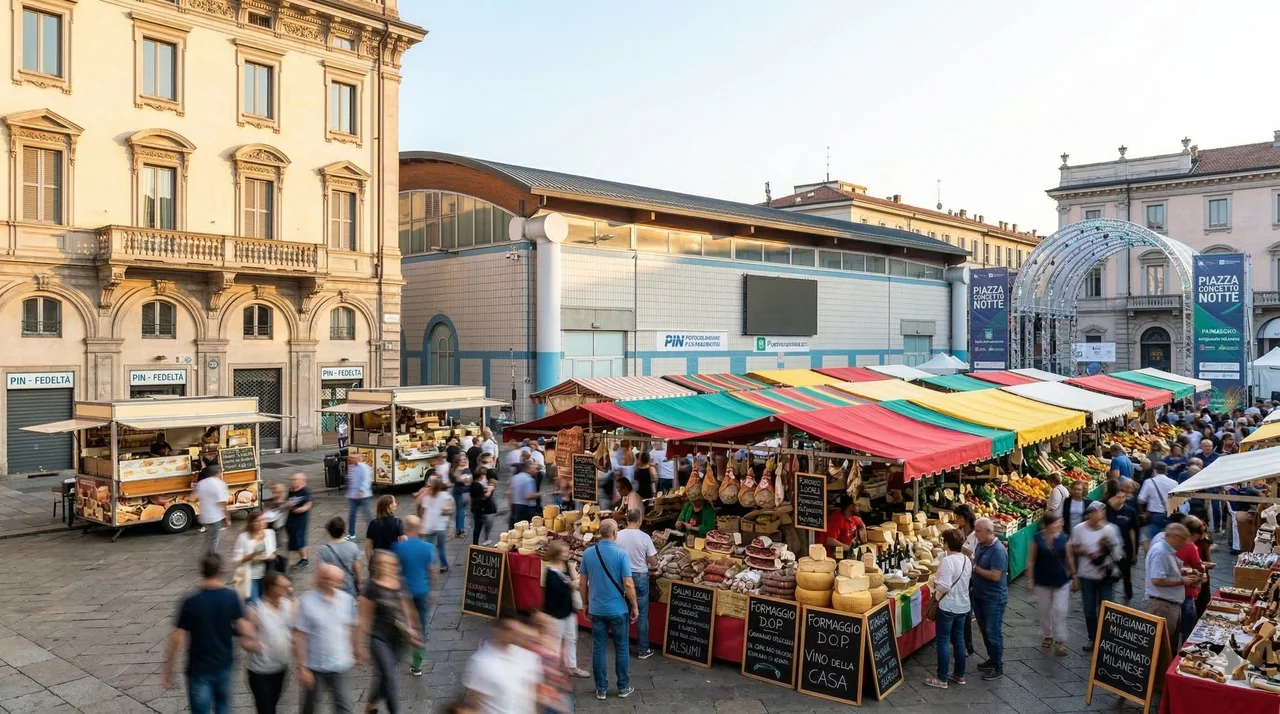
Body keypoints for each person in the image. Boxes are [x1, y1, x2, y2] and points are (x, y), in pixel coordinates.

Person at [162, 554, 255, 714]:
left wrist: (168, 670)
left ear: (202, 572)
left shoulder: (190, 601)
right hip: (224, 665)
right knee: (223, 708)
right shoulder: (230, 597)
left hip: (199, 668)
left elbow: (177, 639)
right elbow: (245, 630)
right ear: (220, 571)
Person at [579, 519, 638, 700]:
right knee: (621, 648)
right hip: (618, 610)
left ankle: (601, 689)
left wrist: (585, 604)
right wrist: (635, 606)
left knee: (598, 649)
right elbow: (628, 583)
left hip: (597, 609)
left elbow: (582, 583)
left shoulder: (588, 553)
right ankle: (623, 687)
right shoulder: (621, 555)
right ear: (614, 533)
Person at [358, 549, 420, 714]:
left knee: (385, 677)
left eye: (390, 563)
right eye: (383, 563)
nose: (387, 566)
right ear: (378, 565)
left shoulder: (400, 581)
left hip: (399, 639)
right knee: (390, 678)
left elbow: (407, 607)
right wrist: (360, 647)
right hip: (378, 638)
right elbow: (364, 618)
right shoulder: (370, 587)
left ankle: (370, 705)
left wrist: (412, 630)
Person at [295, 564, 357, 714]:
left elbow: (349, 627)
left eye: (335, 580)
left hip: (340, 663)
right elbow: (300, 635)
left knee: (344, 705)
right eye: (327, 579)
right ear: (319, 579)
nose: (331, 583)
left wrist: (353, 649)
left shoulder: (347, 600)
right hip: (314, 665)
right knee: (309, 707)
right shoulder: (307, 601)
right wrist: (302, 667)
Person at [1070, 502, 1124, 651]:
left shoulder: (1111, 530)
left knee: (1106, 608)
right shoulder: (1079, 529)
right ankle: (1093, 638)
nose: (1096, 516)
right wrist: (1085, 553)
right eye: (1092, 513)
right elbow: (1073, 548)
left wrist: (1105, 548)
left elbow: (1118, 555)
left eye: (1099, 512)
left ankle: (1105, 638)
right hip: (1086, 575)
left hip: (1105, 576)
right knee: (1089, 609)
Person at [923, 528, 972, 689]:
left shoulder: (947, 561)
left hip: (948, 606)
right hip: (964, 606)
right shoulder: (966, 559)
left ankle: (942, 678)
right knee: (959, 640)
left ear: (946, 544)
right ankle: (959, 675)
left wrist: (935, 583)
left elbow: (944, 586)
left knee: (943, 641)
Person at [463, 614, 542, 714]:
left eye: (515, 630)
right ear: (496, 629)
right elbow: (474, 700)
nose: (512, 634)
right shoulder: (480, 662)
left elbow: (534, 695)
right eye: (508, 629)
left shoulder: (529, 657)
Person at [392, 515, 438, 677]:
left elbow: (394, 570)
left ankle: (396, 654)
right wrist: (433, 589)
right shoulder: (428, 548)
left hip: (404, 594)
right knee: (421, 626)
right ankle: (417, 663)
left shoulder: (397, 547)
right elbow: (432, 571)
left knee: (401, 623)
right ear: (418, 529)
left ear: (406, 529)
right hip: (422, 591)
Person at [1145, 523, 1201, 653]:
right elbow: (1157, 580)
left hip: (1170, 604)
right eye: (1184, 539)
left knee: (1170, 646)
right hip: (1163, 606)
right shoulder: (1161, 552)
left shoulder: (1168, 551)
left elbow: (1168, 571)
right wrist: (1183, 581)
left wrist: (1185, 572)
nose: (1186, 543)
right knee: (1162, 648)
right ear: (1174, 537)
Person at [245, 571, 293, 714]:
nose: (288, 590)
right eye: (284, 587)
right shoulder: (255, 610)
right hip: (260, 671)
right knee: (266, 709)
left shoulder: (288, 605)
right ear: (271, 587)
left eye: (288, 587)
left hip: (281, 668)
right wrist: (254, 645)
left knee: (272, 704)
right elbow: (245, 641)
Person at [1027, 513, 1073, 656]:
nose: (1058, 525)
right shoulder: (1037, 539)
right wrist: (1030, 580)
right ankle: (1048, 634)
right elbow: (1031, 560)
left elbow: (1069, 557)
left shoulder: (1064, 538)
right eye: (1055, 523)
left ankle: (1060, 641)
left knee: (1060, 610)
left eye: (1059, 522)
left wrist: (1074, 574)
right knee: (1045, 610)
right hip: (1043, 580)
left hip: (1061, 580)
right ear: (1047, 525)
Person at [542, 541, 590, 678]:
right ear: (556, 554)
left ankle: (572, 666)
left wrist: (572, 582)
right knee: (555, 642)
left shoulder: (566, 566)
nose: (567, 553)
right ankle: (553, 671)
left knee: (571, 639)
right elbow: (557, 591)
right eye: (564, 552)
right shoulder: (550, 572)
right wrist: (571, 585)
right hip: (555, 613)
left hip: (568, 610)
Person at [615, 508, 658, 659]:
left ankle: (623, 648)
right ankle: (643, 650)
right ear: (639, 520)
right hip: (640, 577)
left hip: (621, 577)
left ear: (627, 520)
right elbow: (653, 562)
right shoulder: (645, 537)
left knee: (623, 613)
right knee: (642, 614)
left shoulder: (618, 535)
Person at [971, 517, 1008, 681]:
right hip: (979, 596)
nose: (975, 534)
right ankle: (992, 660)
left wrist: (975, 568)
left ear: (988, 532)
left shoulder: (998, 551)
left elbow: (995, 576)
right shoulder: (980, 545)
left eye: (978, 531)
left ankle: (998, 666)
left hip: (993, 599)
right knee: (985, 631)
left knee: (993, 632)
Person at [1103, 480, 1139, 602]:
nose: (1121, 499)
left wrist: (1134, 552)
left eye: (1123, 497)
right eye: (1118, 497)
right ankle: (1108, 599)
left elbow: (1133, 531)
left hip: (1125, 548)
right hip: (1108, 550)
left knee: (1126, 574)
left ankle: (1128, 593)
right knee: (1109, 575)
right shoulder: (1104, 510)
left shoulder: (1129, 511)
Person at [1176, 517, 1208, 647]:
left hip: (1175, 591)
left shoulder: (1174, 543)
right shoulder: (1191, 547)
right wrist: (1203, 569)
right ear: (1193, 533)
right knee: (1188, 628)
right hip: (1188, 590)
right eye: (1200, 533)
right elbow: (1198, 567)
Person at [233, 512, 278, 603]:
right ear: (251, 523)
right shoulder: (243, 538)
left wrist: (271, 557)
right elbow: (236, 559)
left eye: (263, 520)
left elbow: (272, 551)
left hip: (266, 574)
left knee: (265, 602)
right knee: (253, 604)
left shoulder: (270, 533)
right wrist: (252, 555)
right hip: (250, 576)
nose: (262, 523)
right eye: (258, 521)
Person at [316, 517, 363, 605]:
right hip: (348, 585)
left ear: (329, 531)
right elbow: (357, 568)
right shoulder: (352, 546)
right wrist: (359, 583)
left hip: (331, 587)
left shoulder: (324, 550)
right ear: (344, 530)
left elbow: (320, 570)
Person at [1138, 462, 1179, 544]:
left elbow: (1141, 499)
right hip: (1170, 515)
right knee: (1169, 541)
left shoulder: (1149, 482)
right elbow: (1177, 501)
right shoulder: (1174, 483)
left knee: (1154, 541)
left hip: (1154, 516)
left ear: (1154, 470)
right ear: (1165, 471)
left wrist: (1142, 512)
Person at [418, 476, 452, 571]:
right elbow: (450, 510)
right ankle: (443, 565)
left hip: (429, 526)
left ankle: (431, 565)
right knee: (441, 547)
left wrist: (422, 521)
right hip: (440, 526)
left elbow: (422, 511)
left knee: (430, 547)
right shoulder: (445, 496)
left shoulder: (427, 497)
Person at [195, 464, 230, 555]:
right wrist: (227, 518)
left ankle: (207, 554)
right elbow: (222, 503)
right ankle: (210, 557)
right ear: (218, 473)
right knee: (214, 539)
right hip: (215, 517)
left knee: (209, 537)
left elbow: (196, 497)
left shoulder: (201, 483)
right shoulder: (220, 484)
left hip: (204, 516)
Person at [286, 473, 313, 571]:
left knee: (299, 539)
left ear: (301, 480)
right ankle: (295, 558)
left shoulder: (305, 491)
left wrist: (302, 509)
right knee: (293, 539)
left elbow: (309, 504)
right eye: (292, 480)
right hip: (291, 518)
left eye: (295, 480)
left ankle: (304, 559)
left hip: (300, 520)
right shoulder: (291, 491)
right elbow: (288, 502)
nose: (293, 482)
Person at [365, 495, 405, 560]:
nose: (396, 504)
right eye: (394, 502)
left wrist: (370, 562)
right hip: (392, 557)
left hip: (378, 557)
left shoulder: (373, 523)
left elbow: (368, 546)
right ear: (390, 506)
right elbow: (402, 542)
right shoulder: (397, 522)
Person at [345, 452, 373, 541]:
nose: (351, 459)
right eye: (350, 457)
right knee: (352, 515)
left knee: (367, 515)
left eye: (353, 458)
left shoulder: (364, 467)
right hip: (352, 495)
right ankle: (351, 533)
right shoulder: (350, 467)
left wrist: (361, 491)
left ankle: (374, 532)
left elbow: (367, 480)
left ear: (358, 458)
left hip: (363, 496)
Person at [469, 460, 498, 546]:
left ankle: (476, 543)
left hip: (476, 508)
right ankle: (477, 543)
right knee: (479, 526)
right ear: (481, 476)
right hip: (480, 508)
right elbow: (484, 497)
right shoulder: (478, 485)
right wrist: (490, 489)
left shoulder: (474, 484)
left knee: (478, 527)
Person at [510, 461, 540, 527]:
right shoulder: (529, 479)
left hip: (516, 506)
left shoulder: (514, 478)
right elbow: (528, 496)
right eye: (533, 468)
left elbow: (510, 494)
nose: (535, 470)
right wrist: (539, 494)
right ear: (527, 469)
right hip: (527, 508)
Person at [449, 453, 472, 539]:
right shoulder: (466, 470)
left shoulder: (453, 470)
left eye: (464, 459)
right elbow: (468, 481)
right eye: (461, 460)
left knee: (459, 511)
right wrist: (464, 479)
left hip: (456, 491)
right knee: (461, 511)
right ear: (458, 461)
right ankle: (461, 530)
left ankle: (458, 529)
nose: (463, 461)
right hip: (464, 492)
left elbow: (454, 480)